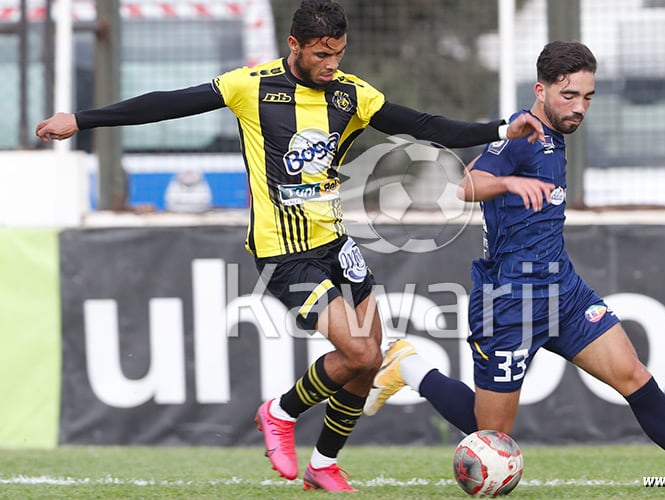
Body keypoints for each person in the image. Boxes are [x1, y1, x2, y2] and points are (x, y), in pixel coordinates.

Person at [36, 0, 545, 493]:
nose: (331, 64)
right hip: (284, 251)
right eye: (321, 54)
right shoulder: (250, 87)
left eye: (338, 54)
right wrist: (83, 120)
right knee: (360, 349)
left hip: (337, 244)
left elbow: (426, 127)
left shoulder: (351, 94)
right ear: (294, 45)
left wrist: (500, 129)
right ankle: (279, 413)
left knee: (369, 362)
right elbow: (169, 103)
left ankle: (323, 466)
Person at [364, 40, 665, 491]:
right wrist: (511, 182)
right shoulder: (522, 135)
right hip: (509, 302)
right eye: (569, 96)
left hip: (563, 291)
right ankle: (410, 366)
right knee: (490, 436)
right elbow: (467, 185)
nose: (580, 108)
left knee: (633, 375)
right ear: (541, 90)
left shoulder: (556, 133)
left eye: (588, 97)